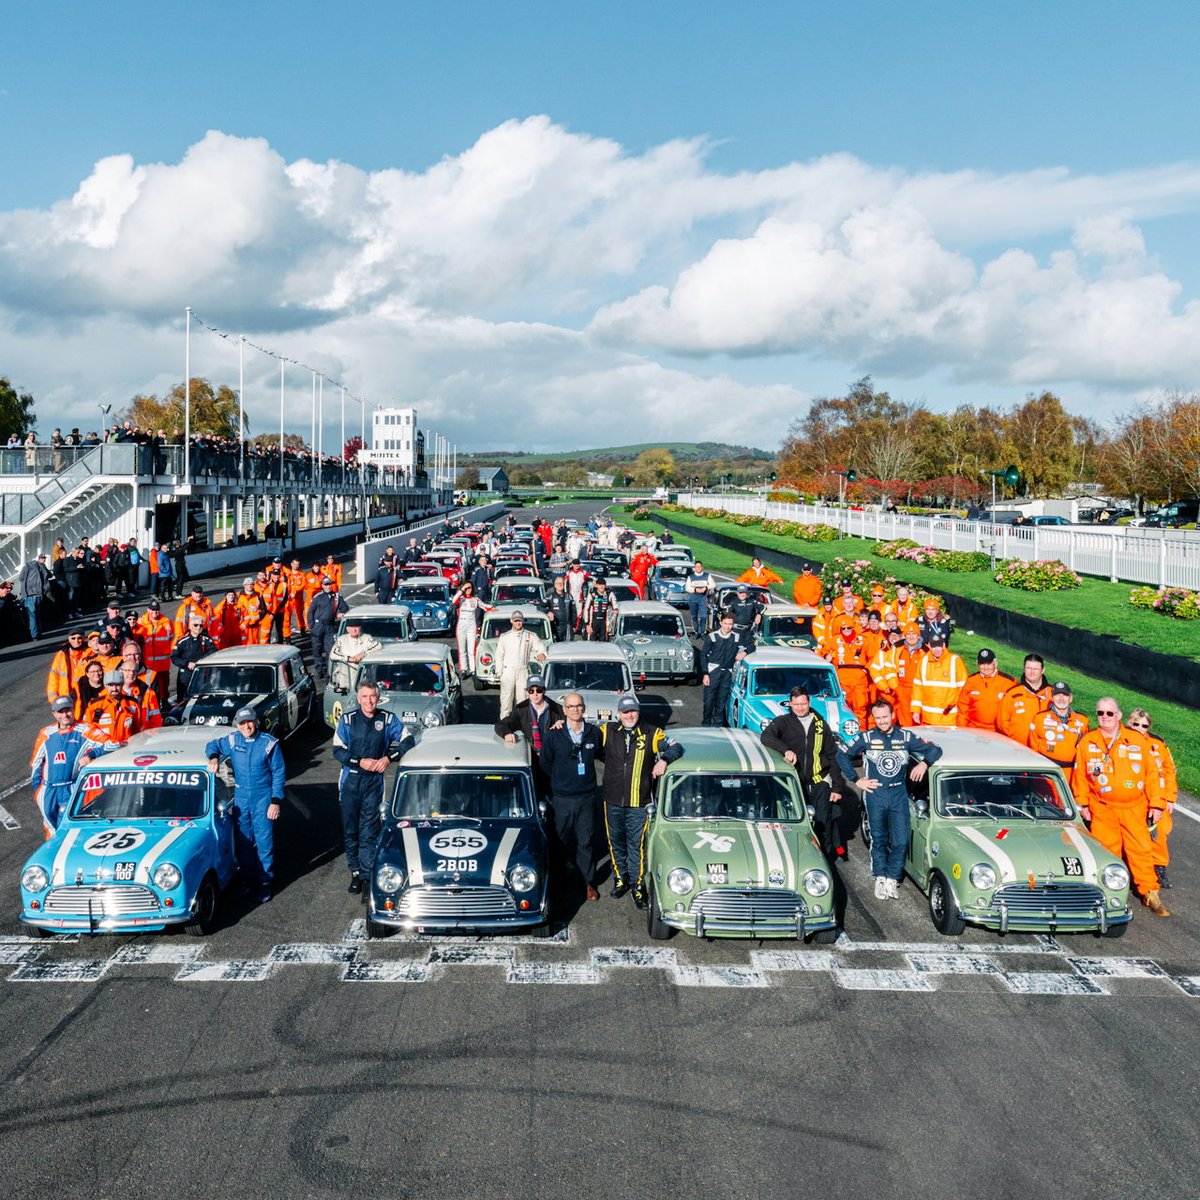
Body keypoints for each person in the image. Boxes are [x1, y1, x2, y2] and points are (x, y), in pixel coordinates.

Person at [836, 698, 943, 901]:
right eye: (878, 718)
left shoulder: (905, 737)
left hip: (898, 794)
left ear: (892, 715)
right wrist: (857, 779)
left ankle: (893, 878)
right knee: (879, 838)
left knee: (901, 840)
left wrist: (924, 764)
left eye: (885, 717)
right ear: (873, 718)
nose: (882, 721)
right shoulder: (866, 737)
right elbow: (842, 755)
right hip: (875, 794)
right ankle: (880, 876)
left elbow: (935, 749)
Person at [1071, 698, 1168, 917]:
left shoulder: (1136, 739)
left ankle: (1150, 892)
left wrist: (1157, 803)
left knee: (1141, 850)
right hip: (1102, 808)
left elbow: (1152, 774)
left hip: (1134, 807)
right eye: (1100, 713)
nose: (1105, 717)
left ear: (1119, 715)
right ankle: (1105, 895)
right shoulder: (1088, 741)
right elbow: (1080, 777)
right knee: (1106, 853)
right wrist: (1083, 804)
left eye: (1109, 713)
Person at [599, 694, 683, 906]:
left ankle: (638, 886)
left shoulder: (652, 733)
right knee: (615, 841)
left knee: (637, 845)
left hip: (640, 802)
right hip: (612, 800)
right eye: (625, 711)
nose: (629, 715)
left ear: (638, 712)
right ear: (618, 714)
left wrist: (664, 759)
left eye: (633, 711)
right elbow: (581, 736)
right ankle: (620, 878)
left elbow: (676, 747)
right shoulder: (606, 731)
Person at [332, 681, 414, 897]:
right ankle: (355, 872)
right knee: (351, 830)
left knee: (369, 831)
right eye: (365, 696)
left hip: (374, 784)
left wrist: (389, 758)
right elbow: (338, 750)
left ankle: (368, 878)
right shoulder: (347, 720)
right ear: (358, 698)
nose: (369, 701)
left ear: (379, 698)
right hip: (350, 781)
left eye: (373, 697)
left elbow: (408, 740)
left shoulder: (387, 719)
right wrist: (359, 761)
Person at [207, 708, 286, 904]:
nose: (247, 726)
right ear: (237, 725)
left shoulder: (269, 743)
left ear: (256, 722)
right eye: (242, 723)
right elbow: (212, 745)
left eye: (250, 722)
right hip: (241, 795)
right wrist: (214, 757)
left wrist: (275, 801)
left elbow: (279, 773)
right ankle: (247, 879)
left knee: (264, 840)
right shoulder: (233, 740)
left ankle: (264, 881)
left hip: (263, 796)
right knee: (243, 839)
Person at [760, 687, 848, 860]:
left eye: (803, 703)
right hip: (794, 783)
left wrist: (837, 788)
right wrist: (786, 750)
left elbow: (832, 756)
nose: (800, 708)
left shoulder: (821, 725)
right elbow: (766, 737)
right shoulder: (782, 722)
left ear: (809, 703)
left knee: (823, 821)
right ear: (790, 705)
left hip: (819, 779)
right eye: (796, 704)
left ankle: (825, 859)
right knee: (793, 822)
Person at [539, 692, 602, 901]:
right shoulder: (554, 735)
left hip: (586, 797)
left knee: (586, 841)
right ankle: (556, 883)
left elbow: (603, 755)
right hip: (562, 799)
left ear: (584, 708)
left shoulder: (594, 733)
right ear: (564, 710)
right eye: (571, 706)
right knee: (559, 842)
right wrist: (559, 784)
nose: (576, 709)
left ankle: (587, 883)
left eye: (579, 706)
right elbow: (545, 764)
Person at [29, 696, 113, 835]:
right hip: (48, 790)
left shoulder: (86, 729)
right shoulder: (46, 733)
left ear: (73, 710)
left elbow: (112, 744)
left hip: (72, 788)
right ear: (54, 714)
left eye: (68, 710)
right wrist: (38, 789)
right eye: (60, 712)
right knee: (51, 829)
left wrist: (91, 755)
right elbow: (36, 763)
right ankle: (54, 855)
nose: (65, 715)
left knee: (69, 830)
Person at [1128, 708, 1177, 891]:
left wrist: (1170, 798)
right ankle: (1132, 870)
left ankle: (1159, 868)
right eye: (1136, 724)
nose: (1140, 728)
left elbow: (1169, 771)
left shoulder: (1158, 743)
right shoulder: (1120, 740)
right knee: (1133, 837)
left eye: (1144, 725)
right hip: (1132, 799)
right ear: (1129, 723)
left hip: (1157, 798)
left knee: (1160, 836)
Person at [495, 675, 565, 798]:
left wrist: (564, 724)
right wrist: (506, 733)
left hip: (552, 761)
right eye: (531, 691)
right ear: (527, 692)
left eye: (539, 690)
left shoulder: (557, 709)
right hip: (532, 760)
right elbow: (501, 724)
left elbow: (575, 725)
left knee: (554, 795)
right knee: (534, 794)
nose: (535, 694)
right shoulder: (521, 709)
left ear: (544, 690)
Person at [494, 612, 550, 719]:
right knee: (506, 700)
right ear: (511, 621)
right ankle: (505, 724)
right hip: (507, 671)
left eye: (519, 620)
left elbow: (540, 647)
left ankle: (522, 724)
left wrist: (542, 653)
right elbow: (499, 655)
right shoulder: (504, 637)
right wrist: (499, 673)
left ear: (523, 621)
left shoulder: (530, 635)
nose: (518, 623)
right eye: (515, 620)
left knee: (523, 700)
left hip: (522, 671)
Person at [1028, 681, 1089, 768]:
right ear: (1052, 698)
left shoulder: (1083, 721)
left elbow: (1085, 749)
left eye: (1065, 695)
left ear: (1070, 698)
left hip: (1071, 772)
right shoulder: (1040, 718)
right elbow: (1033, 747)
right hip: (1046, 770)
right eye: (1057, 695)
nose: (1061, 698)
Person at [700, 610, 745, 727]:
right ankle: (705, 726)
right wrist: (705, 674)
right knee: (709, 702)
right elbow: (703, 655)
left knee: (721, 704)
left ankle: (717, 728)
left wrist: (745, 652)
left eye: (730, 624)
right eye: (725, 623)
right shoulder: (712, 637)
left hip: (727, 675)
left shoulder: (736, 637)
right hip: (713, 674)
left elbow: (752, 645)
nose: (728, 626)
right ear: (720, 623)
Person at [910, 636, 967, 726]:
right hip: (928, 718)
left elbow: (964, 690)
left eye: (939, 646)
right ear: (929, 646)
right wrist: (916, 710)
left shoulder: (955, 661)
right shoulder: (924, 661)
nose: (937, 649)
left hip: (949, 718)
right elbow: (918, 688)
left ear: (944, 645)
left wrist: (952, 705)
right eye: (933, 646)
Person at [996, 653, 1051, 745]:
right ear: (1024, 669)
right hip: (1017, 748)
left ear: (1042, 670)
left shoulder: (1053, 694)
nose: (1032, 672)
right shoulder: (1012, 693)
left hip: (1043, 750)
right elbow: (1002, 722)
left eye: (1035, 669)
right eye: (1028, 668)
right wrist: (1014, 737)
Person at [955, 648, 1013, 732]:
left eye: (989, 663)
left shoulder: (1009, 682)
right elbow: (963, 709)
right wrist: (962, 731)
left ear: (995, 663)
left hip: (997, 731)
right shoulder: (971, 681)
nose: (986, 667)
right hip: (973, 730)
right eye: (982, 664)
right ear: (977, 665)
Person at [83, 669, 143, 743]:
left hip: (126, 748)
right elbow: (87, 730)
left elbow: (138, 730)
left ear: (122, 685)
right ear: (105, 686)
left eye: (117, 685)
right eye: (110, 685)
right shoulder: (94, 705)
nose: (114, 689)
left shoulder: (133, 704)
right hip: (102, 749)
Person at [308, 577, 349, 680]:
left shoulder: (337, 597)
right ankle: (319, 670)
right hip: (318, 626)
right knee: (317, 650)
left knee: (330, 650)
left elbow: (345, 608)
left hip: (330, 627)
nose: (328, 586)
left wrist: (340, 613)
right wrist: (312, 625)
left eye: (330, 584)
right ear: (322, 586)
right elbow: (310, 611)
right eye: (326, 584)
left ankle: (328, 671)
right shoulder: (318, 597)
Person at [171, 613, 217, 703]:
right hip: (185, 676)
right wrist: (187, 663)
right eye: (195, 625)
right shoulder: (183, 641)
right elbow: (174, 657)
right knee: (183, 701)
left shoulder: (206, 639)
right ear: (190, 626)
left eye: (200, 625)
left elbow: (213, 650)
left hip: (202, 675)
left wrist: (201, 661)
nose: (198, 627)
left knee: (203, 701)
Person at [451, 581, 490, 675]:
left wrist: (493, 608)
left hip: (471, 626)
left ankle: (473, 670)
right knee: (462, 650)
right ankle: (464, 669)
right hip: (461, 626)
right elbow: (453, 601)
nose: (468, 590)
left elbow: (485, 606)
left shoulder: (475, 599)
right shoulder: (460, 599)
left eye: (470, 588)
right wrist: (461, 590)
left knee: (472, 650)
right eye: (466, 588)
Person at [45, 628, 92, 704]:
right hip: (65, 697)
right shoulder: (62, 654)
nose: (76, 641)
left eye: (79, 638)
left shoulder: (89, 653)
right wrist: (54, 699)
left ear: (84, 638)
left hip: (85, 696)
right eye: (73, 638)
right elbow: (53, 677)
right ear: (68, 639)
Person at [17, 553, 50, 640]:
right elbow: (48, 580)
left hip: (28, 594)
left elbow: (20, 578)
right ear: (39, 559)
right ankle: (37, 633)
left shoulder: (27, 566)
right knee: (36, 614)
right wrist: (43, 592)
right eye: (43, 558)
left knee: (31, 615)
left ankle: (34, 634)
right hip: (38, 594)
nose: (44, 560)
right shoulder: (42, 567)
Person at [727, 583, 763, 651]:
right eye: (740, 593)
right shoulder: (733, 602)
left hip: (748, 630)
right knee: (735, 648)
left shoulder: (751, 601)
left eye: (744, 592)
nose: (742, 594)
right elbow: (727, 614)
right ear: (737, 593)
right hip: (736, 630)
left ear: (747, 593)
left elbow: (763, 606)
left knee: (749, 648)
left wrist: (759, 614)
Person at [686, 560, 714, 637]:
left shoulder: (707, 575)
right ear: (694, 568)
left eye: (699, 567)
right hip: (693, 598)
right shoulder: (690, 577)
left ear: (702, 567)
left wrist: (706, 587)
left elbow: (713, 584)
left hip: (703, 598)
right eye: (696, 567)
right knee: (694, 615)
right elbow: (687, 588)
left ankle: (702, 632)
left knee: (704, 616)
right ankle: (695, 631)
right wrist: (695, 589)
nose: (698, 568)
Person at [543, 575, 575, 643]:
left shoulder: (568, 596)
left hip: (567, 626)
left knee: (568, 646)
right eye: (558, 583)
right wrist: (548, 612)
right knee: (556, 646)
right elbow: (539, 606)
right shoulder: (550, 596)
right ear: (555, 585)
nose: (560, 585)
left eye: (562, 583)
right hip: (555, 626)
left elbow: (573, 611)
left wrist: (574, 625)